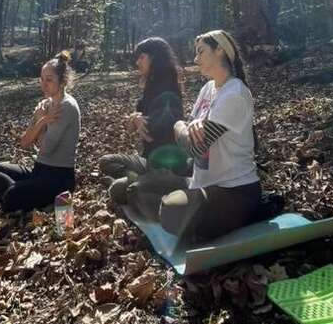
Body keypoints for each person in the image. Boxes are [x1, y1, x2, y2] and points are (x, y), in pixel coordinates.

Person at [158, 29, 262, 244]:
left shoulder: (234, 93)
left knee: (170, 212)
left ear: (220, 50)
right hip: (201, 184)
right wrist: (187, 127)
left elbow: (195, 146)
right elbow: (190, 129)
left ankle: (251, 213)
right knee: (141, 191)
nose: (196, 59)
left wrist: (177, 125)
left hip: (235, 192)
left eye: (201, 52)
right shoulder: (208, 88)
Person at [0, 51, 80, 213]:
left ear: (62, 81)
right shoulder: (45, 105)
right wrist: (42, 120)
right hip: (38, 171)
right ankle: (17, 192)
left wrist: (40, 124)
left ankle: (15, 194)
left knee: (11, 197)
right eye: (42, 79)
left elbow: (45, 149)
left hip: (58, 178)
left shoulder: (66, 106)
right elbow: (25, 142)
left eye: (49, 80)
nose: (43, 84)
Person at [99, 37, 187, 201]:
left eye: (142, 57)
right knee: (105, 161)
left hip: (166, 167)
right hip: (147, 160)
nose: (137, 62)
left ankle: (134, 183)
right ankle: (135, 179)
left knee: (119, 191)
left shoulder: (168, 89)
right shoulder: (150, 85)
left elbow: (154, 132)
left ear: (155, 59)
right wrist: (135, 119)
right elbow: (131, 126)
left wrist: (140, 120)